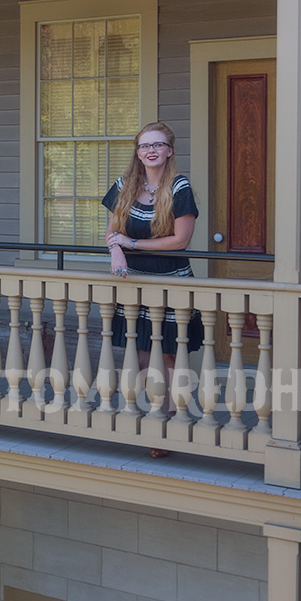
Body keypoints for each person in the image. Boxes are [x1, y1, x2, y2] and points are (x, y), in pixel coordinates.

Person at [106, 122, 204, 450]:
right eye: (145, 145)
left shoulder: (179, 187)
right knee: (144, 355)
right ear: (137, 153)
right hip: (134, 282)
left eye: (158, 145)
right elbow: (112, 233)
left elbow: (180, 241)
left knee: (172, 357)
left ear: (169, 151)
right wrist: (116, 251)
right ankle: (154, 418)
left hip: (171, 281)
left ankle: (175, 424)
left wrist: (130, 242)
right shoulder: (124, 186)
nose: (151, 150)